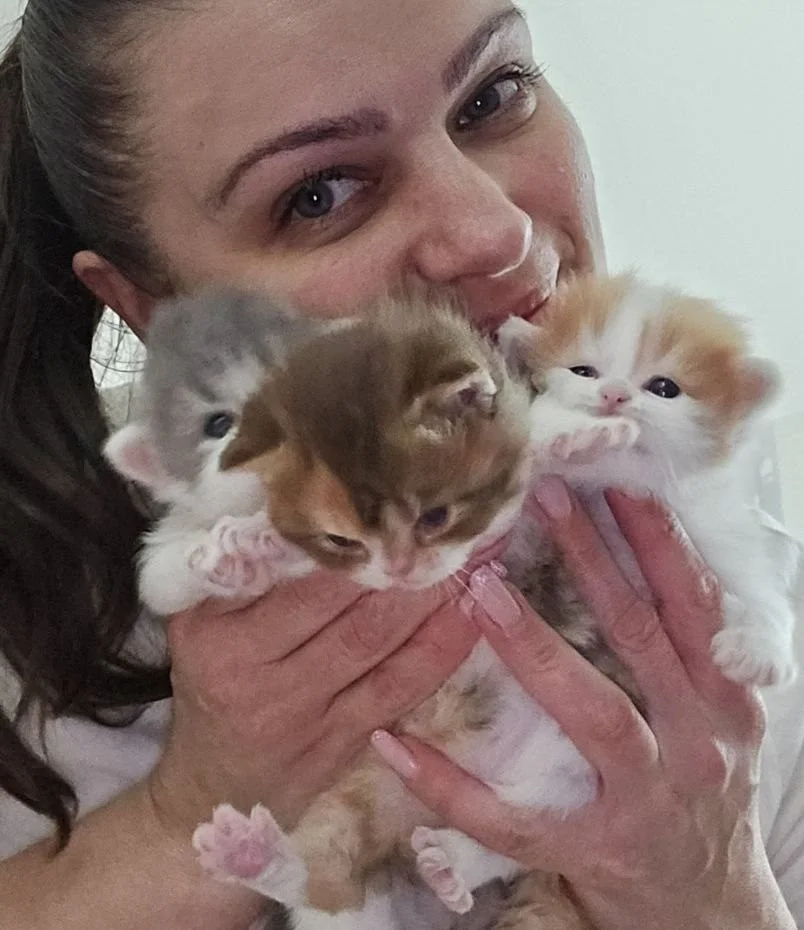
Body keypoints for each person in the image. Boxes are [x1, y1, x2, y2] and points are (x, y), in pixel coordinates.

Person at [0, 0, 802, 927]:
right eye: (320, 195)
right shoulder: (45, 634)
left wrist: (702, 886)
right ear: (153, 307)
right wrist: (182, 819)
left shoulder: (707, 540)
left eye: (494, 95)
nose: (492, 230)